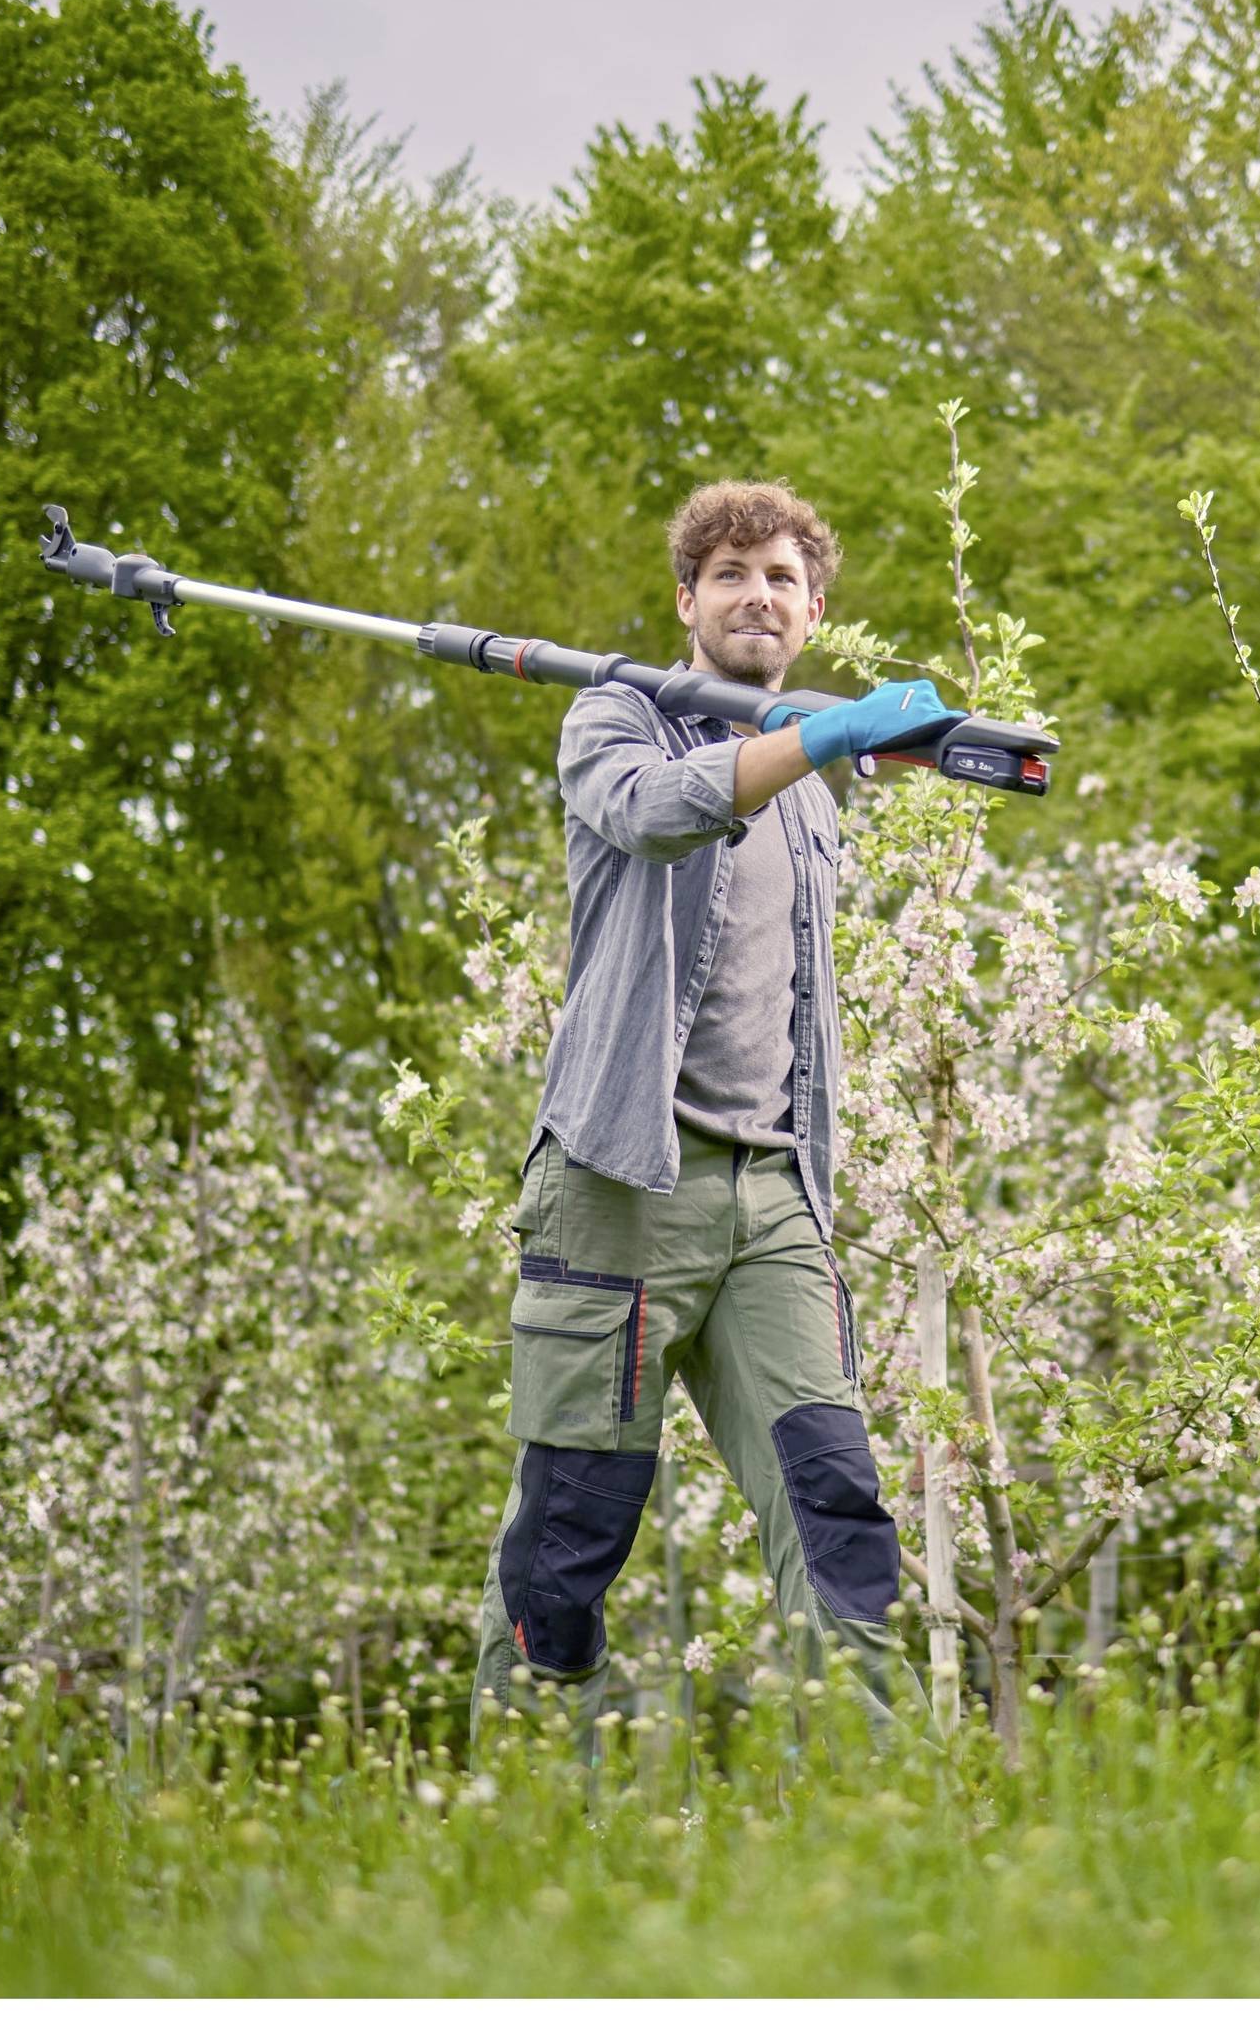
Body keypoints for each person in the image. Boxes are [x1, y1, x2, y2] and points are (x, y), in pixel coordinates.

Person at [466, 479, 958, 1751]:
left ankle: (868, 1815)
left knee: (836, 1507)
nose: (758, 596)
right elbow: (655, 812)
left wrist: (831, 747)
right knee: (571, 1537)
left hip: (772, 1199)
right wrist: (826, 740)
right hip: (623, 1186)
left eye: (782, 578)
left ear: (815, 610)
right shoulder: (614, 716)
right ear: (687, 601)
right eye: (730, 575)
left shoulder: (811, 778)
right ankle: (509, 1825)